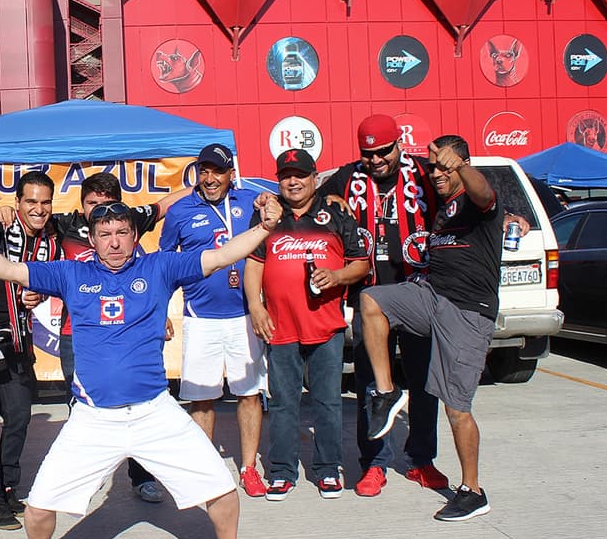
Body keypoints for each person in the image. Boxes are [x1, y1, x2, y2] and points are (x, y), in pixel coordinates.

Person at [0, 196, 286, 539]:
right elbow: (7, 268)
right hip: (93, 419)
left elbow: (221, 255)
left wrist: (264, 228)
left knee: (222, 489)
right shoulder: (70, 274)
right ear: (91, 239)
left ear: (135, 235)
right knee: (39, 506)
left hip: (156, 412)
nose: (114, 242)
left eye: (123, 233)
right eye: (105, 234)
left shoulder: (160, 266)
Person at [7, 171, 190, 503]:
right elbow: (29, 219)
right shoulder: (61, 225)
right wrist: (3, 210)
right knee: (81, 410)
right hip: (75, 334)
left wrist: (209, 183)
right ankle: (84, 480)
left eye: (106, 204)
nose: (99, 211)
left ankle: (141, 478)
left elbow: (163, 205)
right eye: (92, 204)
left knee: (138, 405)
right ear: (82, 206)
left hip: (130, 333)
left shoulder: (128, 222)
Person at [361, 136, 502, 522]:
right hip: (434, 299)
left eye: (444, 167)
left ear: (462, 163)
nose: (437, 173)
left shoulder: (478, 201)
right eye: (434, 167)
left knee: (457, 408)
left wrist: (459, 167)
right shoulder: (444, 210)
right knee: (372, 301)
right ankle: (387, 393)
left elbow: (484, 191)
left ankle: (473, 491)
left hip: (467, 311)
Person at [318, 114, 446, 497]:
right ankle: (374, 463)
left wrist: (511, 215)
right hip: (369, 297)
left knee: (425, 381)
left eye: (383, 152)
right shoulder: (348, 176)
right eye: (368, 153)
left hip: (417, 292)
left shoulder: (424, 173)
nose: (376, 161)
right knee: (371, 385)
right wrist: (327, 196)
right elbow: (306, 198)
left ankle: (421, 459)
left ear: (399, 145)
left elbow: (465, 201)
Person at [245, 149, 370, 500]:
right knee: (283, 402)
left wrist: (337, 275)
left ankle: (328, 470)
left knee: (328, 401)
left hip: (325, 326)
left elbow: (360, 264)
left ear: (315, 178)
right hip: (279, 326)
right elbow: (253, 264)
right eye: (286, 175)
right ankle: (282, 471)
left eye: (300, 174)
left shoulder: (335, 214)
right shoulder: (269, 217)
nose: (293, 181)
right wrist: (256, 306)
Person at [159, 143, 269, 497]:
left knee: (249, 394)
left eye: (217, 171)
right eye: (204, 171)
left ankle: (249, 468)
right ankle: (207, 470)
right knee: (202, 399)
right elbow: (163, 266)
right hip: (200, 317)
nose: (209, 178)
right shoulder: (180, 211)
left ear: (230, 174)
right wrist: (160, 310)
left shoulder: (252, 201)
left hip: (243, 317)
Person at [0, 171, 63, 530]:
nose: (38, 209)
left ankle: (7, 487)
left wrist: (41, 293)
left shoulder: (52, 238)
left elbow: (50, 281)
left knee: (19, 418)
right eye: (30, 201)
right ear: (17, 203)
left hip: (17, 340)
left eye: (44, 202)